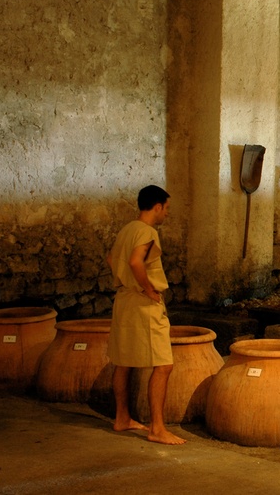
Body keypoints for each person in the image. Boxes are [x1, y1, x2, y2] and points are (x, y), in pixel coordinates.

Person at [106, 185, 185, 445]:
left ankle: (122, 418)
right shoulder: (147, 231)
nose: (167, 214)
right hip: (141, 303)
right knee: (163, 364)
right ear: (158, 206)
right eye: (167, 208)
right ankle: (157, 428)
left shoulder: (127, 229)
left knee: (122, 361)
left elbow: (111, 259)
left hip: (123, 301)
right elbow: (135, 261)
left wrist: (129, 283)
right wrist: (147, 288)